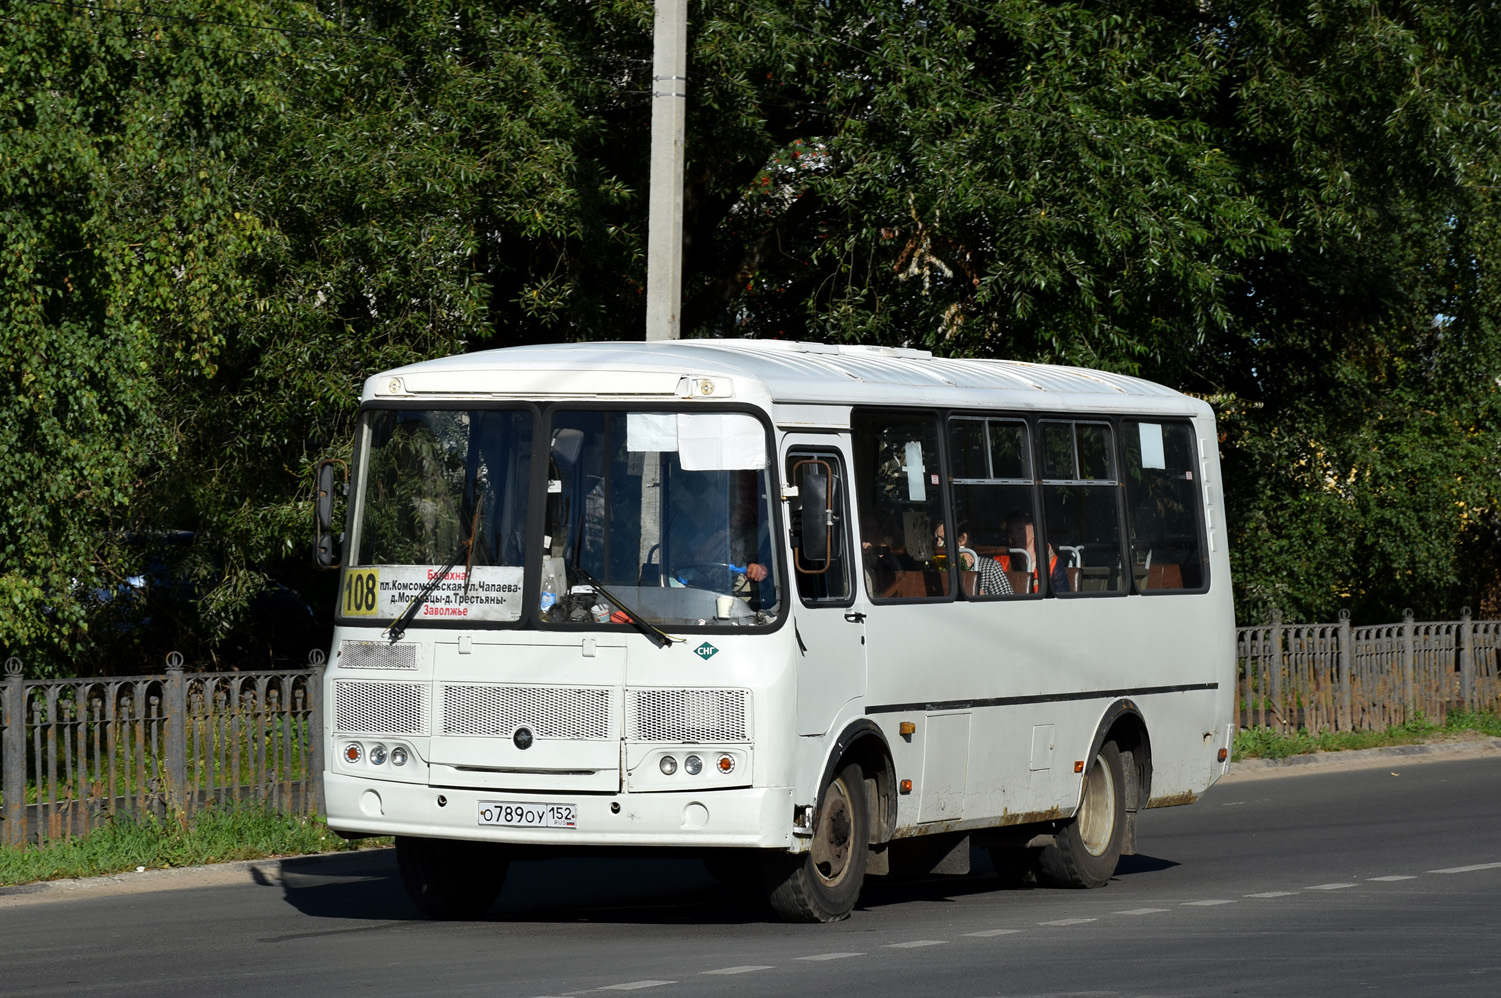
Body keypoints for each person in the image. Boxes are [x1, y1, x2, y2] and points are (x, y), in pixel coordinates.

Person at [935, 521, 1013, 596]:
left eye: (943, 539)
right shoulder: (938, 569)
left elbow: (1009, 601)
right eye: (936, 539)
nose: (938, 544)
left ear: (962, 539)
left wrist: (984, 598)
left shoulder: (990, 567)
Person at [1002, 511, 1070, 594]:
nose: (1014, 535)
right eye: (1010, 531)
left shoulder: (1052, 563)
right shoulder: (1002, 562)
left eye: (1020, 529)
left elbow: (1062, 597)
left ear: (1035, 531)